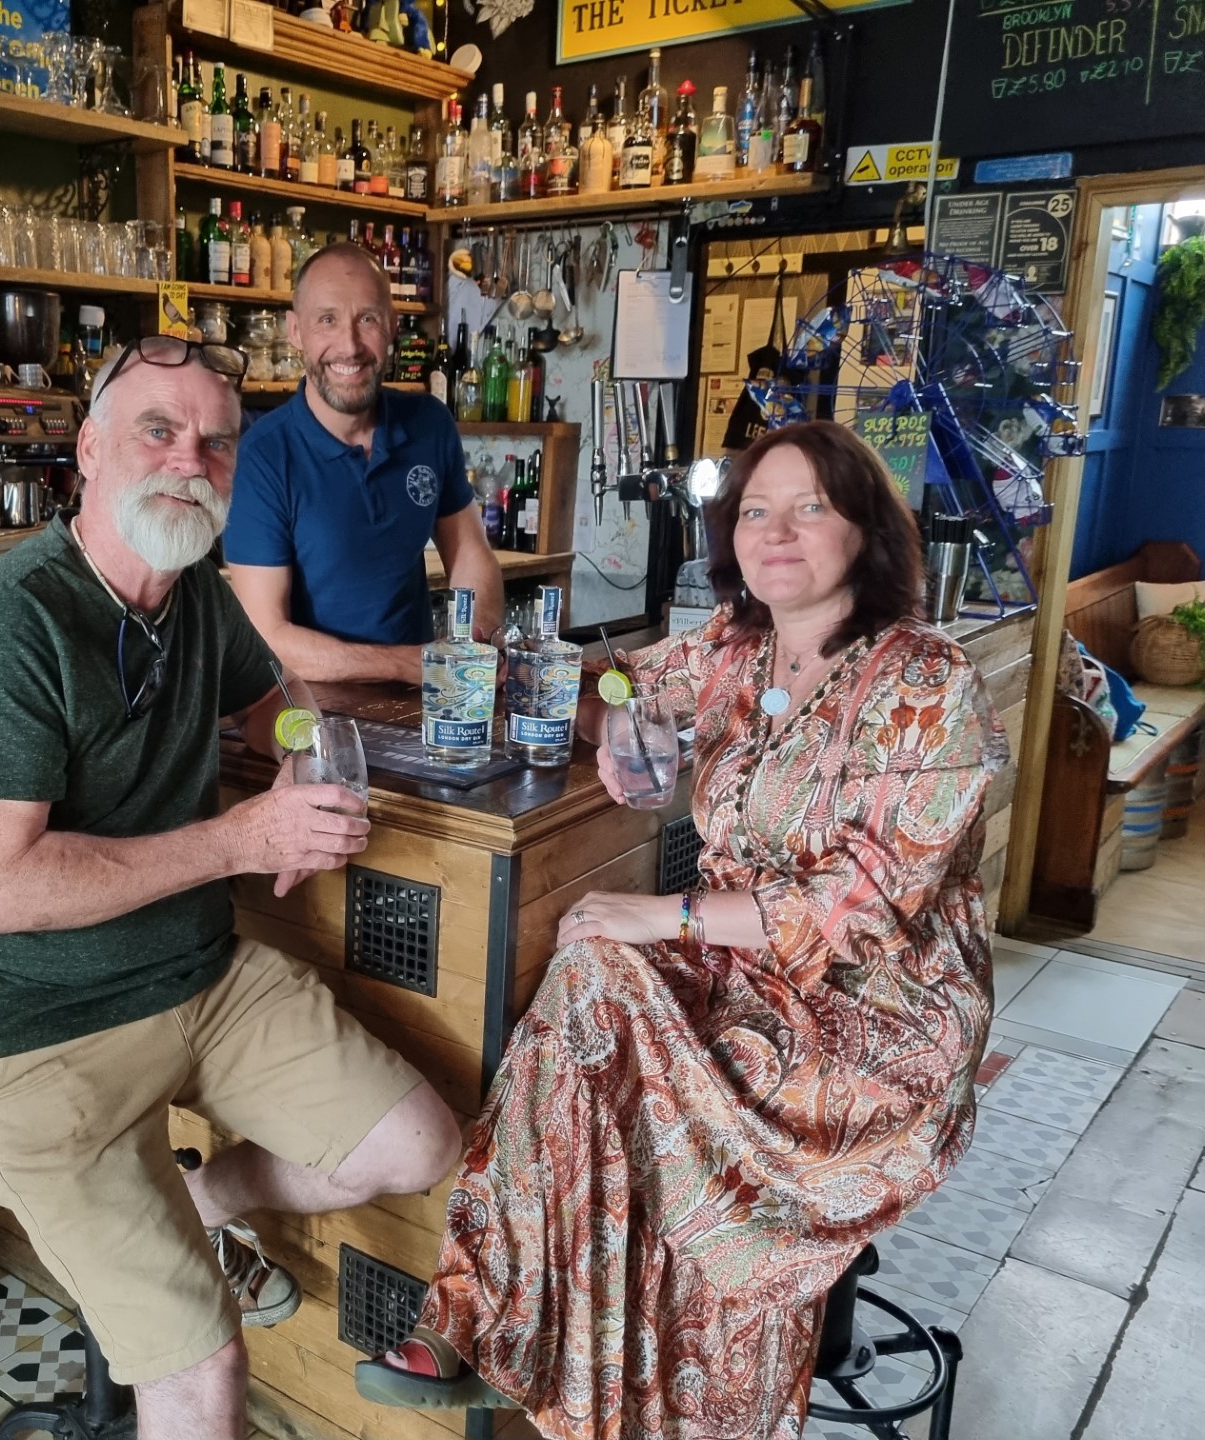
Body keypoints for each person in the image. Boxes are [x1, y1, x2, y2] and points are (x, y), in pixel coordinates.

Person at [355, 420, 1009, 1438]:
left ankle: (612, 1374)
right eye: (755, 509)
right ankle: (485, 1314)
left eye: (809, 508)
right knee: (588, 980)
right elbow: (616, 688)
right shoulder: (733, 649)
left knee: (633, 1032)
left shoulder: (926, 682)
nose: (775, 532)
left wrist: (665, 911)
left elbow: (865, 904)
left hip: (879, 1022)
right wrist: (619, 724)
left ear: (868, 532)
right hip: (743, 976)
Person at [0, 334, 462, 1440]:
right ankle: (185, 1249)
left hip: (193, 976)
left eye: (216, 444)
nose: (189, 460)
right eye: (159, 430)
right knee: (202, 1378)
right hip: (26, 1031)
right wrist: (240, 838)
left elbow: (281, 697)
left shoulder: (194, 599)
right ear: (89, 450)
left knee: (418, 1147)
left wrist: (301, 751)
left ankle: (204, 1201)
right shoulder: (6, 625)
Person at [225, 242, 503, 682]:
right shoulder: (264, 454)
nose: (349, 346)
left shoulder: (429, 422)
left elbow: (469, 551)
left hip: (424, 699)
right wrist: (412, 664)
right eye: (327, 320)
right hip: (313, 707)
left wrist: (477, 643)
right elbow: (267, 637)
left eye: (367, 319)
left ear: (393, 326)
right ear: (295, 331)